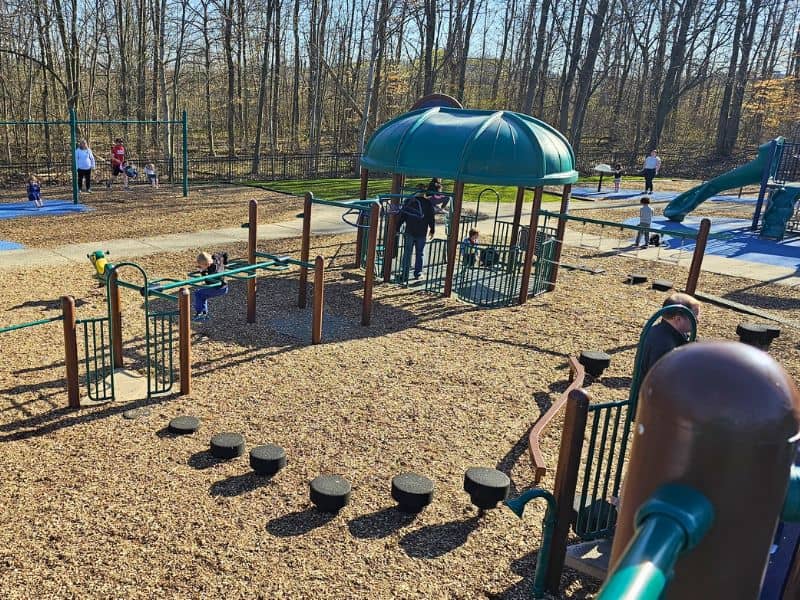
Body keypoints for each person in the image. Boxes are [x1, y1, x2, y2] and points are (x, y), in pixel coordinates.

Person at [638, 292, 701, 378]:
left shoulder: (663, 331)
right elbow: (662, 379)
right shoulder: (664, 344)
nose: (698, 321)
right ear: (678, 319)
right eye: (695, 317)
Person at [397, 191, 435, 281]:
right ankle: (418, 273)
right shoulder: (427, 203)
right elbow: (431, 217)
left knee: (407, 253)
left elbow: (403, 216)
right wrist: (432, 229)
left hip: (410, 230)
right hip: (422, 232)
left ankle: (404, 274)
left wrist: (397, 228)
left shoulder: (409, 201)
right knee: (420, 253)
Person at [193, 251, 229, 321]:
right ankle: (203, 314)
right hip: (224, 286)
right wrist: (225, 263)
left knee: (198, 293)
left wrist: (203, 272)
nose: (200, 267)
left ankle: (200, 314)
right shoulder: (216, 257)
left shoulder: (212, 271)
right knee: (202, 295)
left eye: (201, 266)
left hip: (219, 288)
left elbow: (209, 283)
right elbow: (225, 254)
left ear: (207, 264)